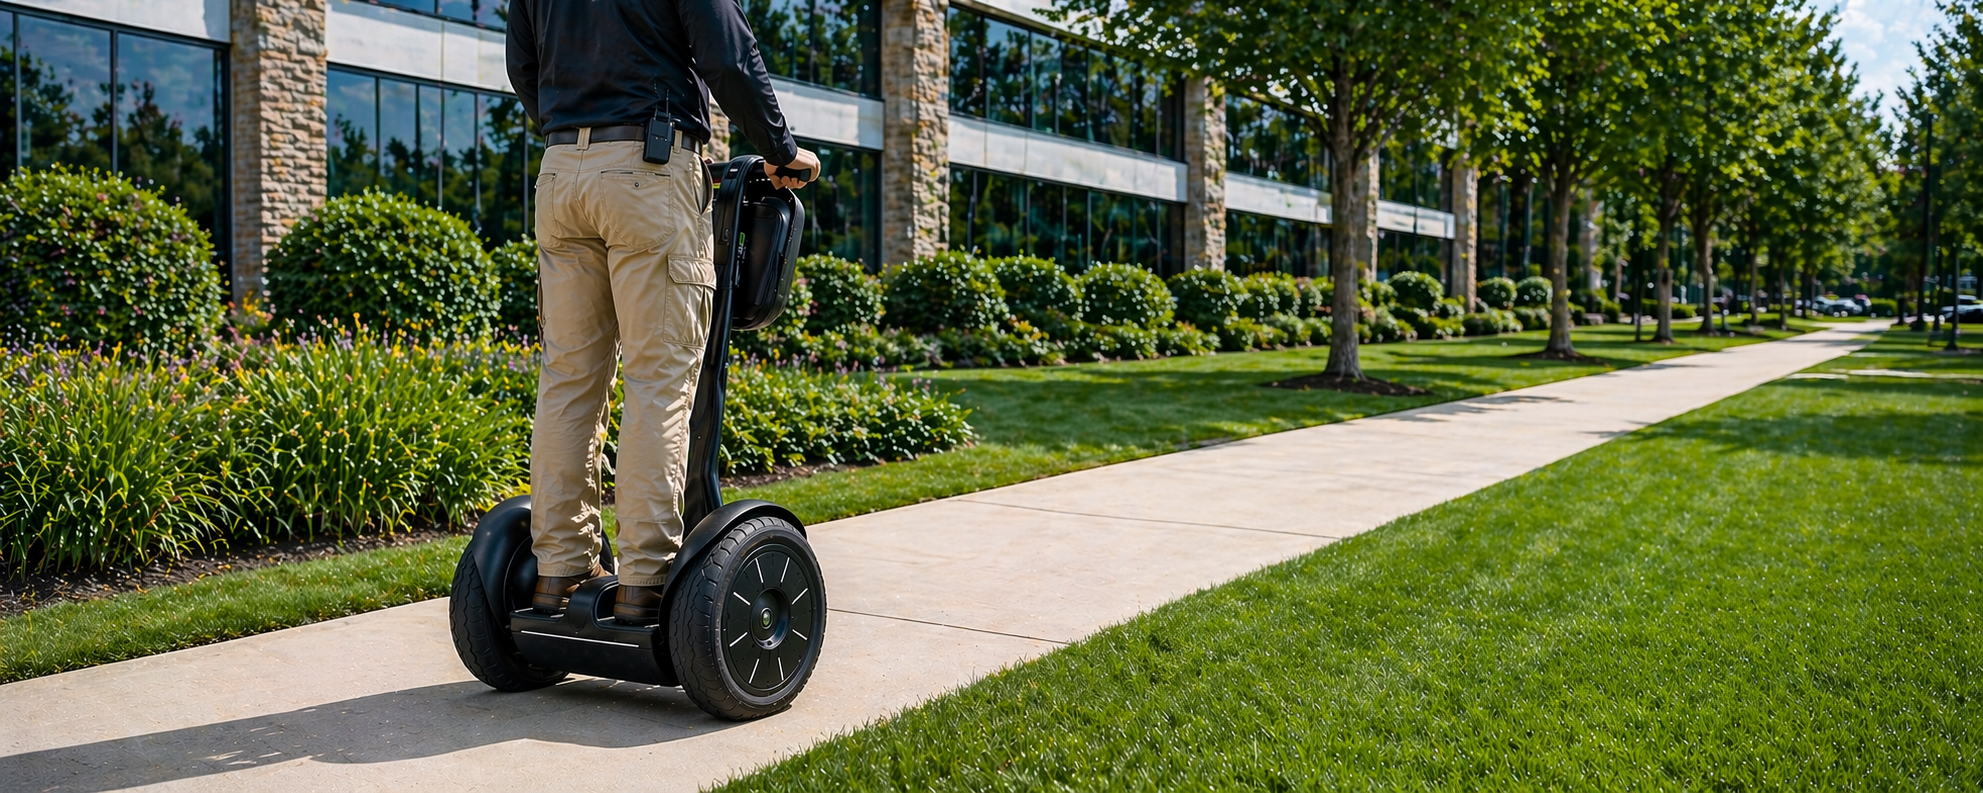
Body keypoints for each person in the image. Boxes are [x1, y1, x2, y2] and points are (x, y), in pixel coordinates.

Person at [506, 0, 820, 626]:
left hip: (561, 172)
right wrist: (780, 149)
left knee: (568, 380)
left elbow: (523, 66)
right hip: (649, 168)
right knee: (658, 381)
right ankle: (645, 579)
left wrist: (573, 123)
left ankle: (559, 568)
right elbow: (730, 57)